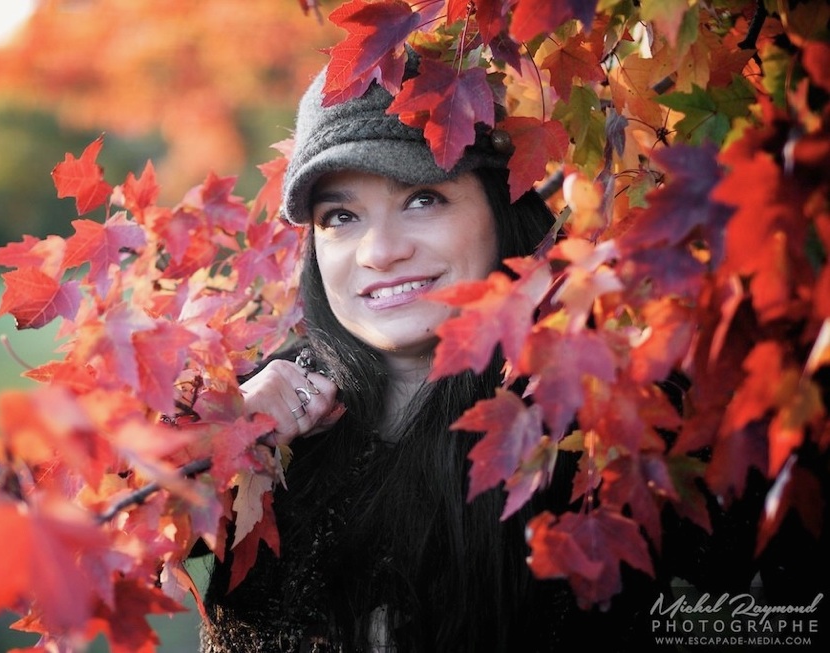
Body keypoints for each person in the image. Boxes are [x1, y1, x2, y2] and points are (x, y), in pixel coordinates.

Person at [195, 55, 827, 653]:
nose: (379, 252)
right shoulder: (258, 431)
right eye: (340, 216)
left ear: (503, 209)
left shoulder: (617, 428)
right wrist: (218, 439)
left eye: (422, 198)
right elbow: (105, 547)